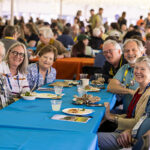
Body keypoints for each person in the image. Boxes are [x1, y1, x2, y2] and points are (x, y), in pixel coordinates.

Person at [98, 56, 150, 150]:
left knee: (93, 139)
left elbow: (139, 123)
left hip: (130, 139)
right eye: (136, 68)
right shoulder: (139, 89)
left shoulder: (148, 94)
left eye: (142, 69)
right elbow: (131, 116)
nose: (138, 71)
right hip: (125, 129)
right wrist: (110, 116)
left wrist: (112, 118)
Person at [107, 39, 145, 113]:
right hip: (126, 113)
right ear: (123, 54)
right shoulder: (125, 67)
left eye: (134, 50)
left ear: (141, 52)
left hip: (141, 117)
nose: (130, 53)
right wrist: (130, 91)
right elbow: (110, 87)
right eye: (127, 51)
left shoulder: (147, 68)